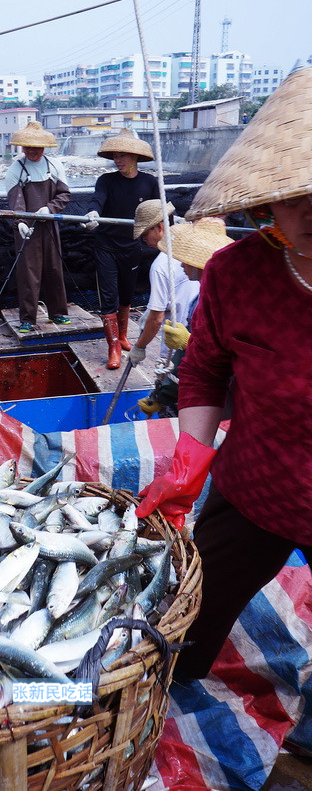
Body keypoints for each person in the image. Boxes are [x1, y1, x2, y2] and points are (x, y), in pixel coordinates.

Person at [135, 64, 312, 680]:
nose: (310, 210)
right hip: (253, 489)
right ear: (266, 202)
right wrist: (190, 459)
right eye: (294, 195)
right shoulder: (236, 271)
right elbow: (205, 371)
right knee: (181, 631)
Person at [136, 218, 233, 418]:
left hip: (226, 398)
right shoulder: (202, 297)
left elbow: (229, 358)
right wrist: (162, 397)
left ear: (199, 263)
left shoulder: (225, 300)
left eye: (185, 260)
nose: (180, 265)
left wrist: (189, 343)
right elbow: (183, 360)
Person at [84, 128, 159, 369]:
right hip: (106, 246)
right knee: (108, 297)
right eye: (115, 156)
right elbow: (98, 198)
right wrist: (94, 212)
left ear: (135, 157)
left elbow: (160, 209)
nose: (118, 160)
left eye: (123, 156)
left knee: (127, 295)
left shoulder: (149, 182)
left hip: (132, 245)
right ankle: (113, 347)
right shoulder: (106, 180)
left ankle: (124, 336)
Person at [5, 121, 71, 334]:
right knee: (28, 272)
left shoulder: (54, 166)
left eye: (37, 147)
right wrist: (21, 222)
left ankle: (58, 312)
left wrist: (49, 209)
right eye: (28, 147)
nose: (33, 151)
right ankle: (27, 318)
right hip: (27, 228)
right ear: (22, 148)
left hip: (49, 225)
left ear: (45, 147)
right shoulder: (16, 168)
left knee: (54, 268)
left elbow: (64, 194)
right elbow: (16, 201)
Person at [128, 200, 199, 372]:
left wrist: (140, 346)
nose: (143, 239)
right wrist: (152, 309)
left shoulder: (160, 266)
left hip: (177, 345)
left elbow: (157, 319)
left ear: (160, 227)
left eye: (145, 233)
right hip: (198, 335)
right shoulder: (193, 247)